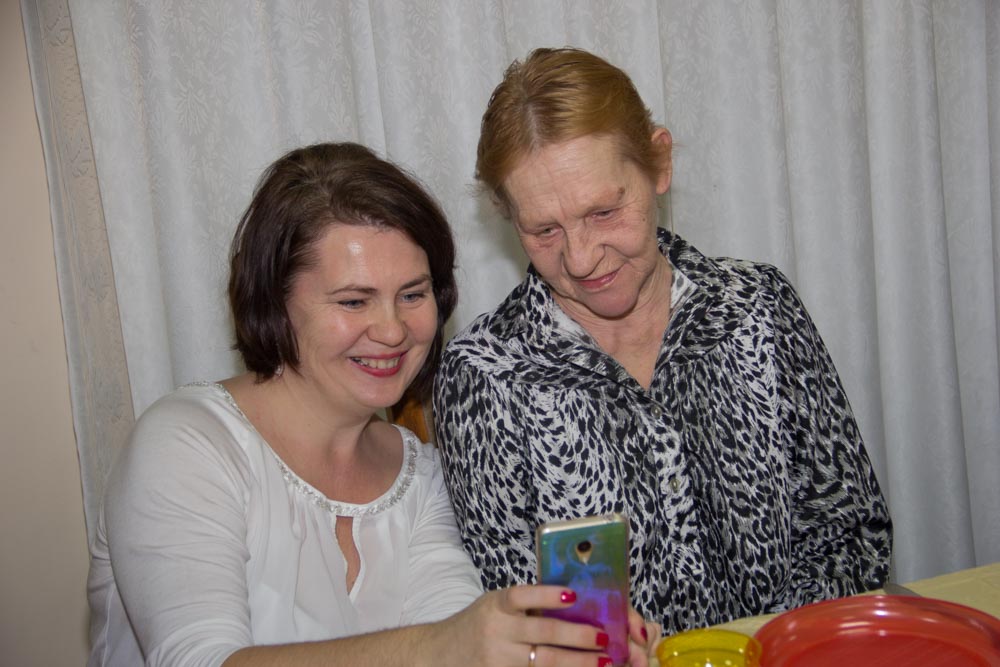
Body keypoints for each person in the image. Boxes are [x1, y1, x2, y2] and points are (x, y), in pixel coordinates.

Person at [87, 142, 655, 666]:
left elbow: (454, 634)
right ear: (275, 303)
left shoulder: (421, 474)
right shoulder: (185, 445)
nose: (392, 330)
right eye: (354, 301)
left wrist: (546, 647)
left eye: (413, 294)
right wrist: (451, 643)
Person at [433, 47, 893, 634]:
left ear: (659, 163)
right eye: (544, 229)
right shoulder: (485, 377)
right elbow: (521, 620)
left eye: (603, 211)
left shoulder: (757, 307)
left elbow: (851, 535)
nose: (581, 258)